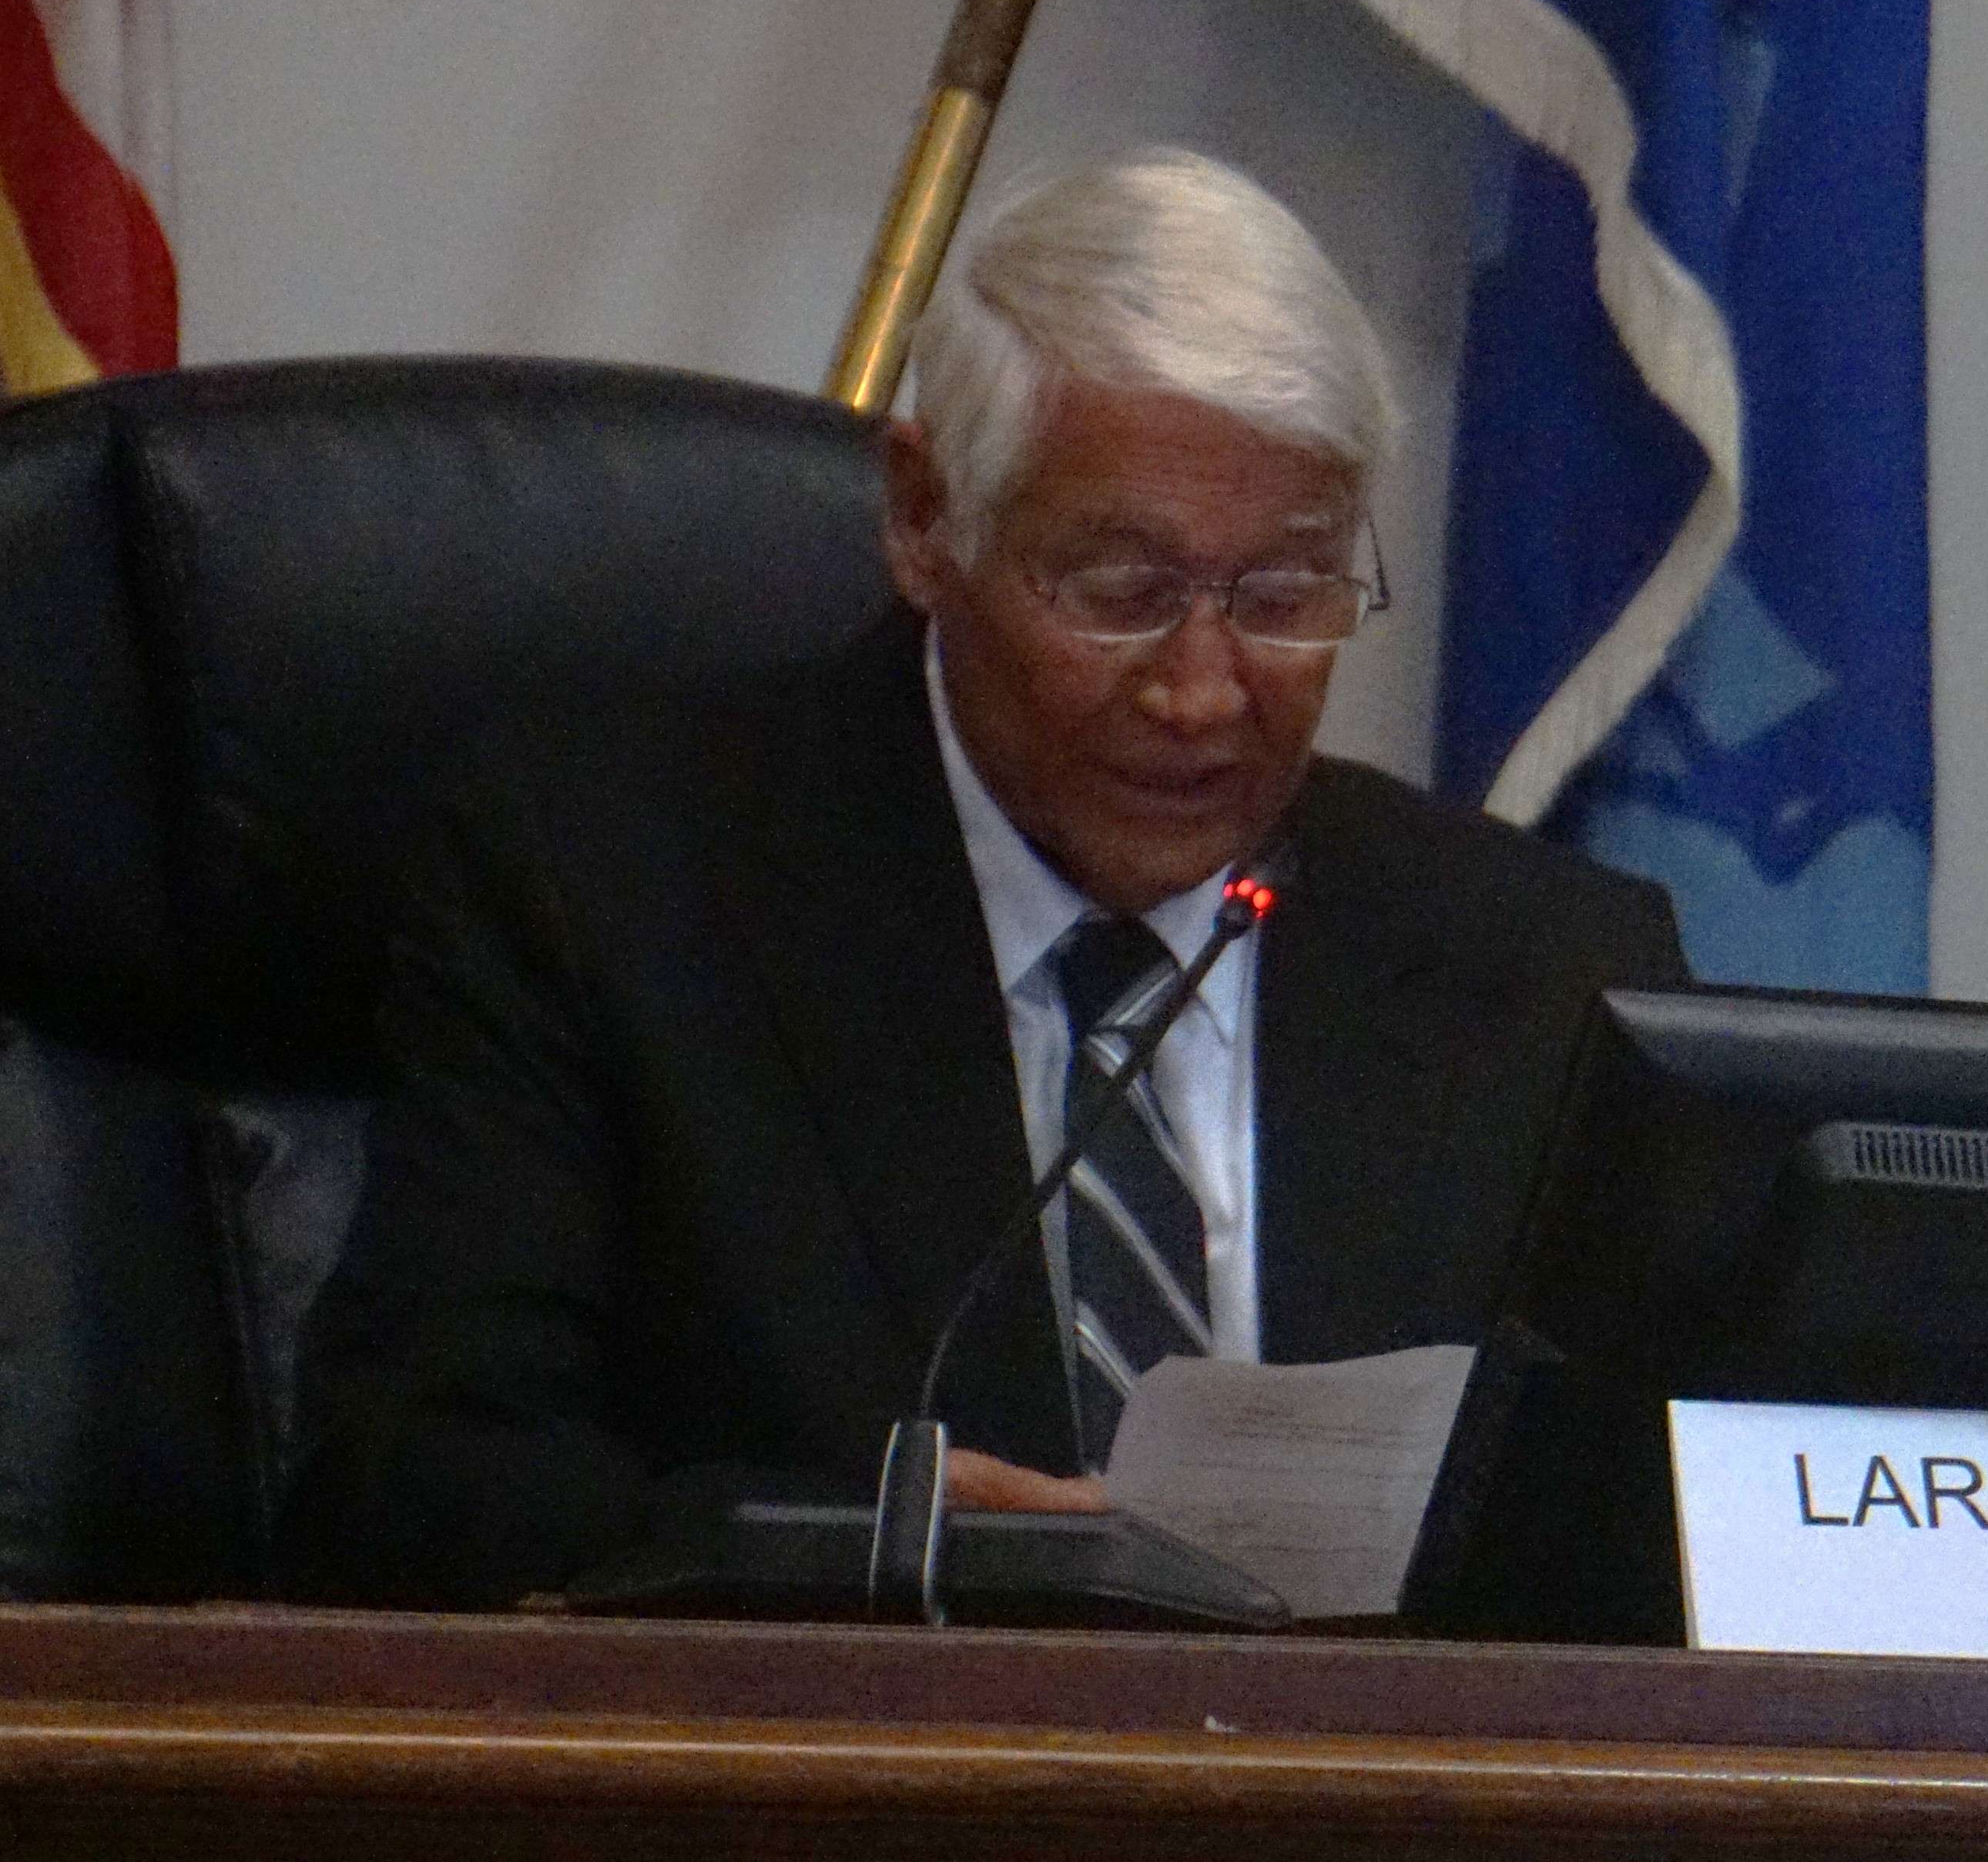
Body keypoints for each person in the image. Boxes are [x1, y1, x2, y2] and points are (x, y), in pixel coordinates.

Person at [283, 149, 1688, 1607]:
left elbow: (1680, 1539)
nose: (1204, 694)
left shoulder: (1549, 969)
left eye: (1284, 596)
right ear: (922, 519)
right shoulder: (606, 892)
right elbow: (406, 1485)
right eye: (1122, 593)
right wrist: (850, 1545)